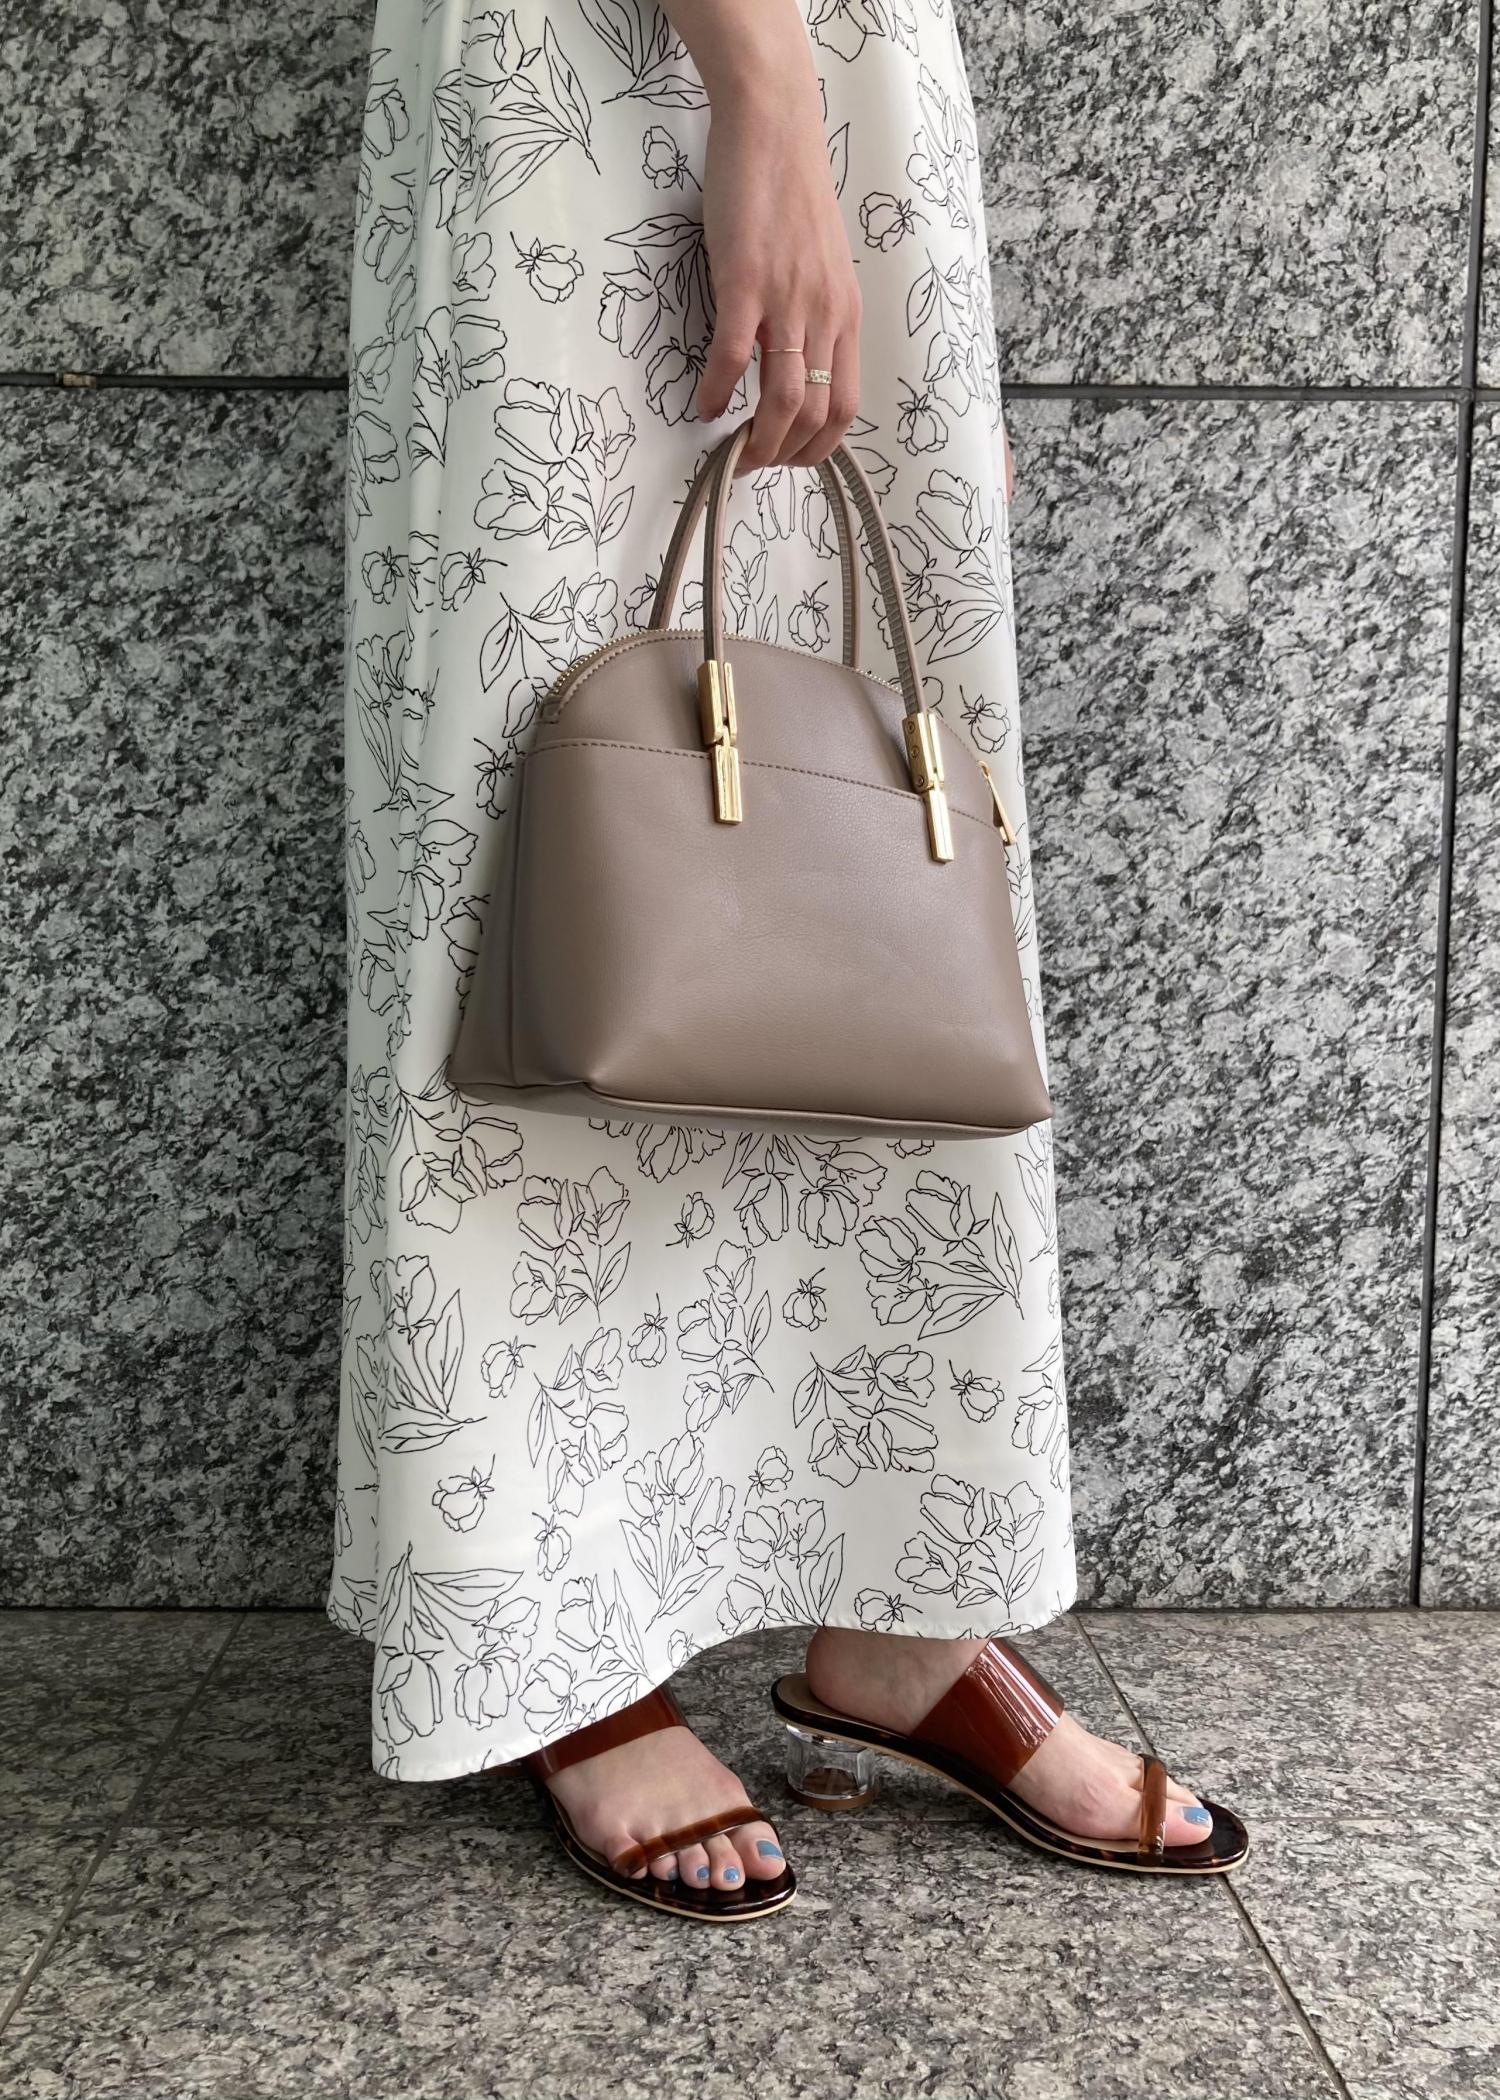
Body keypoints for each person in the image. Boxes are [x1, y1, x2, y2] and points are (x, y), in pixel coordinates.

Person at [329, 0, 1248, 1920]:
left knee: (870, 859)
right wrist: (760, 90)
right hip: (618, 68)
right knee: (561, 849)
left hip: (855, 74)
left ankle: (906, 1613)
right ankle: (566, 1638)